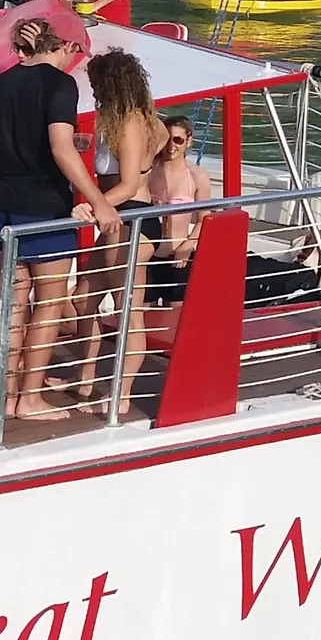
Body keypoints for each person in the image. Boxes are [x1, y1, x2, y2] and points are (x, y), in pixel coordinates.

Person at [0, 15, 118, 420]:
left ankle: (6, 397)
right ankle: (29, 399)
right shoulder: (61, 85)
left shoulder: (2, 82)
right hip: (43, 204)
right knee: (49, 302)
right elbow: (61, 149)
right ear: (67, 47)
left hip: (3, 197)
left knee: (12, 302)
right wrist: (98, 200)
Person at [79, 44, 167, 416]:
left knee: (128, 309)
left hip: (129, 215)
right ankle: (86, 380)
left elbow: (129, 184)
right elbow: (158, 144)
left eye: (99, 88)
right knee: (84, 297)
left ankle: (121, 392)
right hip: (122, 214)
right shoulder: (147, 120)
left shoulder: (130, 121)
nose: (96, 95)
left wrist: (93, 204)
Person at [148, 112, 215, 266]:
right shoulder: (149, 170)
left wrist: (187, 248)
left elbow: (203, 219)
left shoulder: (198, 176)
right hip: (147, 253)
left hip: (179, 256)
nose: (172, 146)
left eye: (178, 140)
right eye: (168, 140)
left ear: (188, 141)